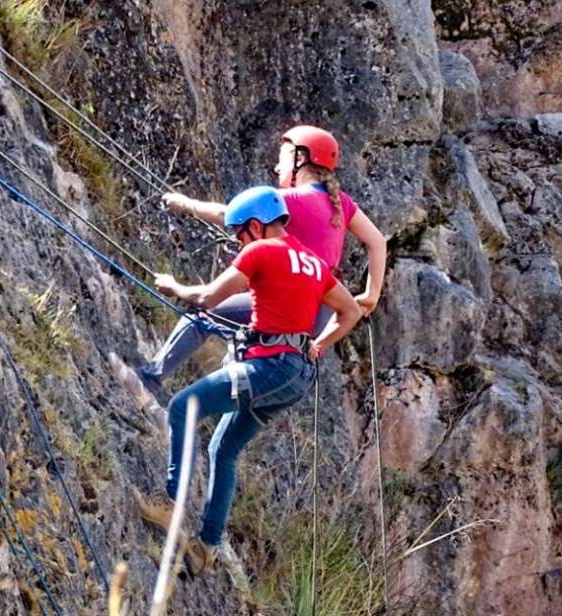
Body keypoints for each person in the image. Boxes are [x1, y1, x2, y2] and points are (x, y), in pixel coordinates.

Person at [137, 185, 363, 575]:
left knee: (183, 406)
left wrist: (173, 286)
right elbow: (351, 312)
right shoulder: (312, 262)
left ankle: (170, 503)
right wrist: (320, 345)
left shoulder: (260, 250)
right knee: (223, 449)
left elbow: (207, 298)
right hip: (295, 375)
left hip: (269, 366)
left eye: (240, 232)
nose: (238, 241)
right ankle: (206, 548)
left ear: (256, 226)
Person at [135, 126, 386, 405]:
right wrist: (371, 294)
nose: (277, 167)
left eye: (283, 158)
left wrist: (186, 204)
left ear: (300, 159)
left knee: (204, 311)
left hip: (288, 302)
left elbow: (228, 213)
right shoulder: (342, 205)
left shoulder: (291, 200)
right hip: (319, 315)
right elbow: (377, 241)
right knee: (243, 346)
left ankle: (150, 378)